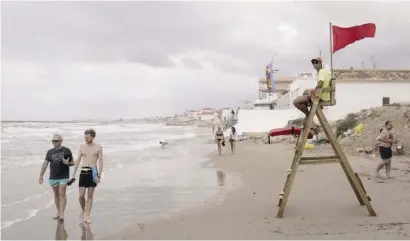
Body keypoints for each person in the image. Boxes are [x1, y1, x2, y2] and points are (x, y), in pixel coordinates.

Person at [38, 134, 74, 221]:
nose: (54, 142)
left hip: (64, 176)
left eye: (56, 141)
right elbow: (45, 163)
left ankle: (62, 213)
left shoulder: (66, 150)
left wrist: (67, 163)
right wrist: (41, 175)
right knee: (56, 195)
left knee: (62, 193)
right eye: (53, 141)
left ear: (61, 141)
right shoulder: (49, 152)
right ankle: (58, 211)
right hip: (53, 177)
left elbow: (73, 162)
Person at [72, 129, 104, 223]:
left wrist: (99, 175)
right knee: (81, 196)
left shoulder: (98, 147)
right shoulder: (82, 147)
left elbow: (101, 162)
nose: (86, 139)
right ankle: (83, 209)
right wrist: (73, 174)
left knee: (90, 195)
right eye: (85, 137)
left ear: (93, 137)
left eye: (87, 137)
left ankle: (87, 215)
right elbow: (78, 160)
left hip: (93, 171)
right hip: (84, 171)